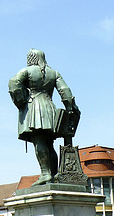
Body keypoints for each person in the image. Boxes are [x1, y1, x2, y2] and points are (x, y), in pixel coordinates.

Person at [9, 49, 80, 184]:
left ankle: (45, 174)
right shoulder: (54, 73)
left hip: (35, 108)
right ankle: (52, 175)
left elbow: (13, 83)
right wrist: (71, 107)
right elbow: (65, 91)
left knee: (39, 141)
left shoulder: (27, 71)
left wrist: (21, 100)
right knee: (49, 144)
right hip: (50, 108)